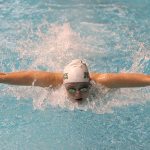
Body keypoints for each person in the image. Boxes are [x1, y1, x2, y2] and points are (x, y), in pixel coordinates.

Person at [0, 59, 149, 102]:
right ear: (63, 86)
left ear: (90, 82)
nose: (78, 93)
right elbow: (24, 77)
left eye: (84, 88)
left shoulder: (102, 81)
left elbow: (133, 79)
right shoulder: (52, 81)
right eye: (71, 89)